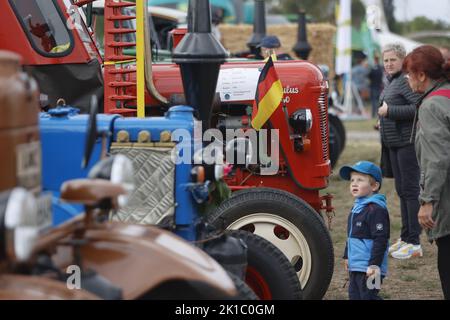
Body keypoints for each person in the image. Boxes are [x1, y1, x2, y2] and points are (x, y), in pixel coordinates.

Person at [403, 45, 450, 300]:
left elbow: (437, 159)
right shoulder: (447, 94)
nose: (407, 79)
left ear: (421, 75)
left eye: (409, 73)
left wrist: (427, 201)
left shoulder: (431, 106)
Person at [378, 43, 423, 259]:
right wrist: (383, 121)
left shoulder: (404, 81)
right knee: (402, 191)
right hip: (394, 145)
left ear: (403, 61)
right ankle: (405, 237)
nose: (388, 64)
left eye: (392, 60)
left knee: (410, 191)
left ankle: (415, 242)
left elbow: (418, 107)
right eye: (385, 60)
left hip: (407, 144)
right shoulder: (392, 82)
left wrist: (390, 112)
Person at [340, 161, 390, 300]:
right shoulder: (356, 208)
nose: (354, 184)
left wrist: (374, 265)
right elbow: (351, 235)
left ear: (374, 186)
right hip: (356, 266)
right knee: (355, 296)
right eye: (352, 180)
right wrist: (347, 255)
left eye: (360, 180)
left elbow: (381, 239)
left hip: (372, 269)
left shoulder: (376, 210)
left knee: (369, 296)